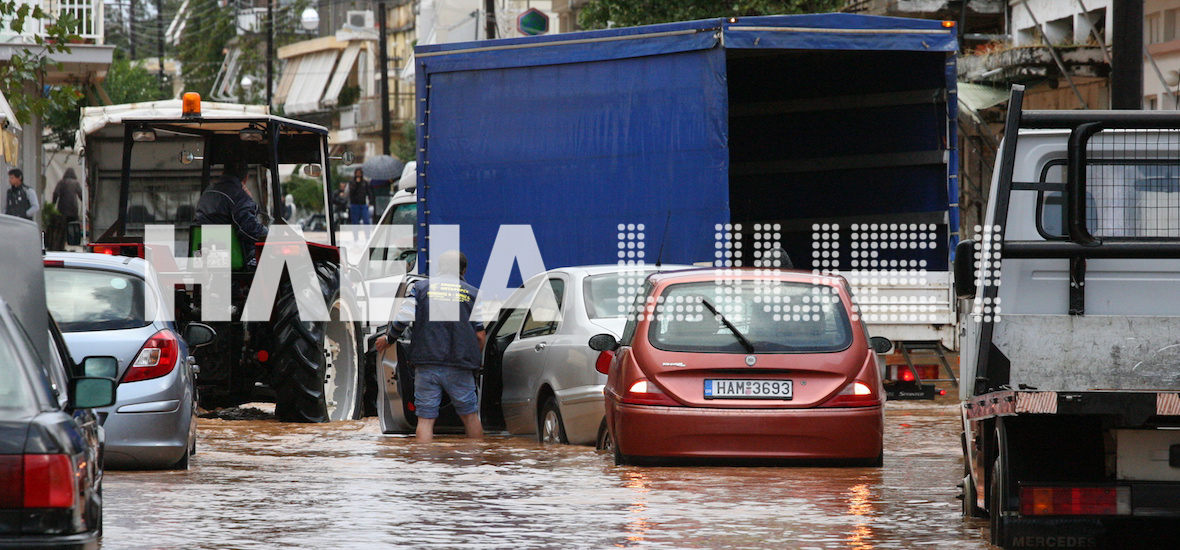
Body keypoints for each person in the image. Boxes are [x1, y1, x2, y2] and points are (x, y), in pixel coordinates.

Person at [375, 250, 485, 442]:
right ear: (464, 270)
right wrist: (474, 357)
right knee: (470, 416)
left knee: (425, 420)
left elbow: (402, 319)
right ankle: (475, 465)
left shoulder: (420, 289)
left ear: (439, 269)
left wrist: (388, 339)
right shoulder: (473, 294)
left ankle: (424, 466)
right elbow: (480, 335)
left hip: (427, 365)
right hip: (460, 365)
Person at [194, 168, 269, 267]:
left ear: (222, 173)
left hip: (202, 254)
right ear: (245, 178)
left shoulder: (207, 192)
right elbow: (249, 229)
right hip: (230, 256)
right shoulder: (239, 196)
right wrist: (271, 234)